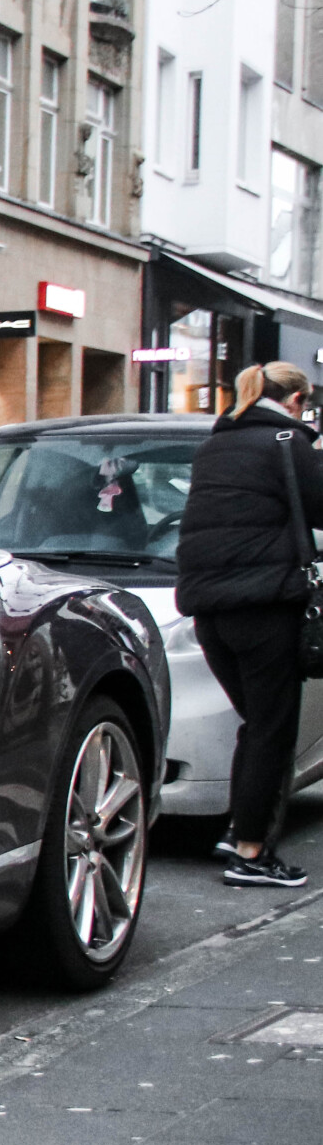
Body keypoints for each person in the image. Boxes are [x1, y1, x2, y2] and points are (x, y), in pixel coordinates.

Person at [175, 360, 323, 888]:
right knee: (271, 729)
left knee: (256, 724)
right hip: (264, 607)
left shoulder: (216, 444)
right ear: (297, 400)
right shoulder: (288, 441)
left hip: (210, 612)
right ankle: (252, 852)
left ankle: (240, 828)